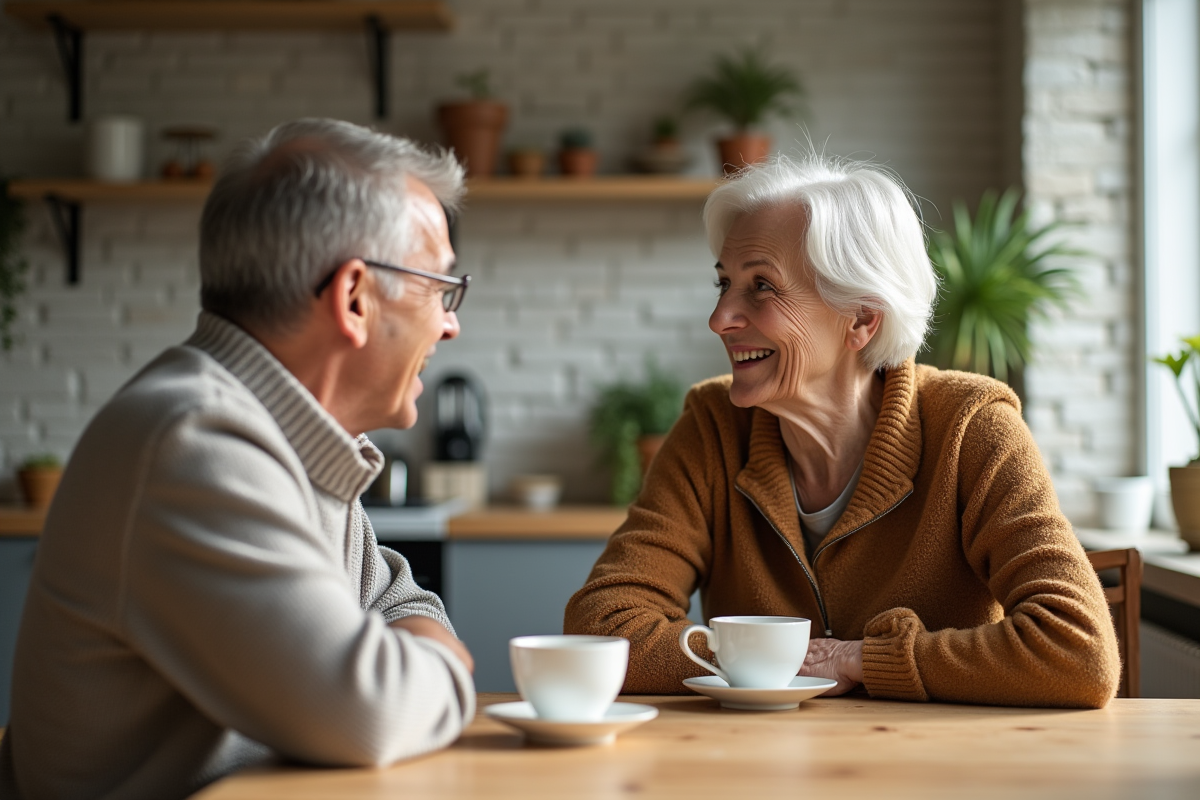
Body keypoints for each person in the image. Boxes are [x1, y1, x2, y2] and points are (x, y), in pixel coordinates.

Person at [0, 119, 477, 800]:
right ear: (354, 298)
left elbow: (399, 601)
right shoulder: (194, 443)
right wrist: (447, 666)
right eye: (439, 287)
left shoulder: (286, 435)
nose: (450, 323)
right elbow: (368, 710)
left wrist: (416, 654)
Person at [564, 155, 1121, 707]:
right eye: (724, 283)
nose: (720, 318)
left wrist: (859, 659)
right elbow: (602, 625)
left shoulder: (972, 429)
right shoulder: (712, 427)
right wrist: (771, 661)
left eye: (761, 286)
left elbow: (1078, 651)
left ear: (860, 318)